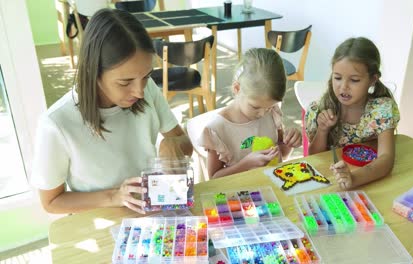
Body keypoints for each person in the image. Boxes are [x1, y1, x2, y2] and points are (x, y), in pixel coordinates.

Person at [30, 9, 193, 215]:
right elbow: (51, 202)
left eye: (145, 76)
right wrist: (115, 196)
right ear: (93, 71)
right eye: (125, 82)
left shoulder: (147, 88)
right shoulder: (56, 123)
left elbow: (185, 144)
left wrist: (172, 145)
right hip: (100, 217)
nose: (140, 92)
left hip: (149, 212)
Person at [305, 37, 400, 190]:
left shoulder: (381, 111)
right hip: (332, 185)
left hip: (370, 184)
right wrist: (323, 130)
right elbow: (314, 157)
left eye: (354, 80)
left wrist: (354, 178)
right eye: (337, 78)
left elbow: (386, 159)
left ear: (372, 80)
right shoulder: (320, 110)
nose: (343, 87)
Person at [199, 48, 302, 179]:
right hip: (239, 194)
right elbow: (214, 179)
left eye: (269, 107)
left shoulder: (272, 112)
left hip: (272, 186)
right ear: (237, 88)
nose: (262, 113)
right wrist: (245, 165)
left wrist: (290, 143)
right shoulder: (218, 129)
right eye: (255, 107)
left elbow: (282, 155)